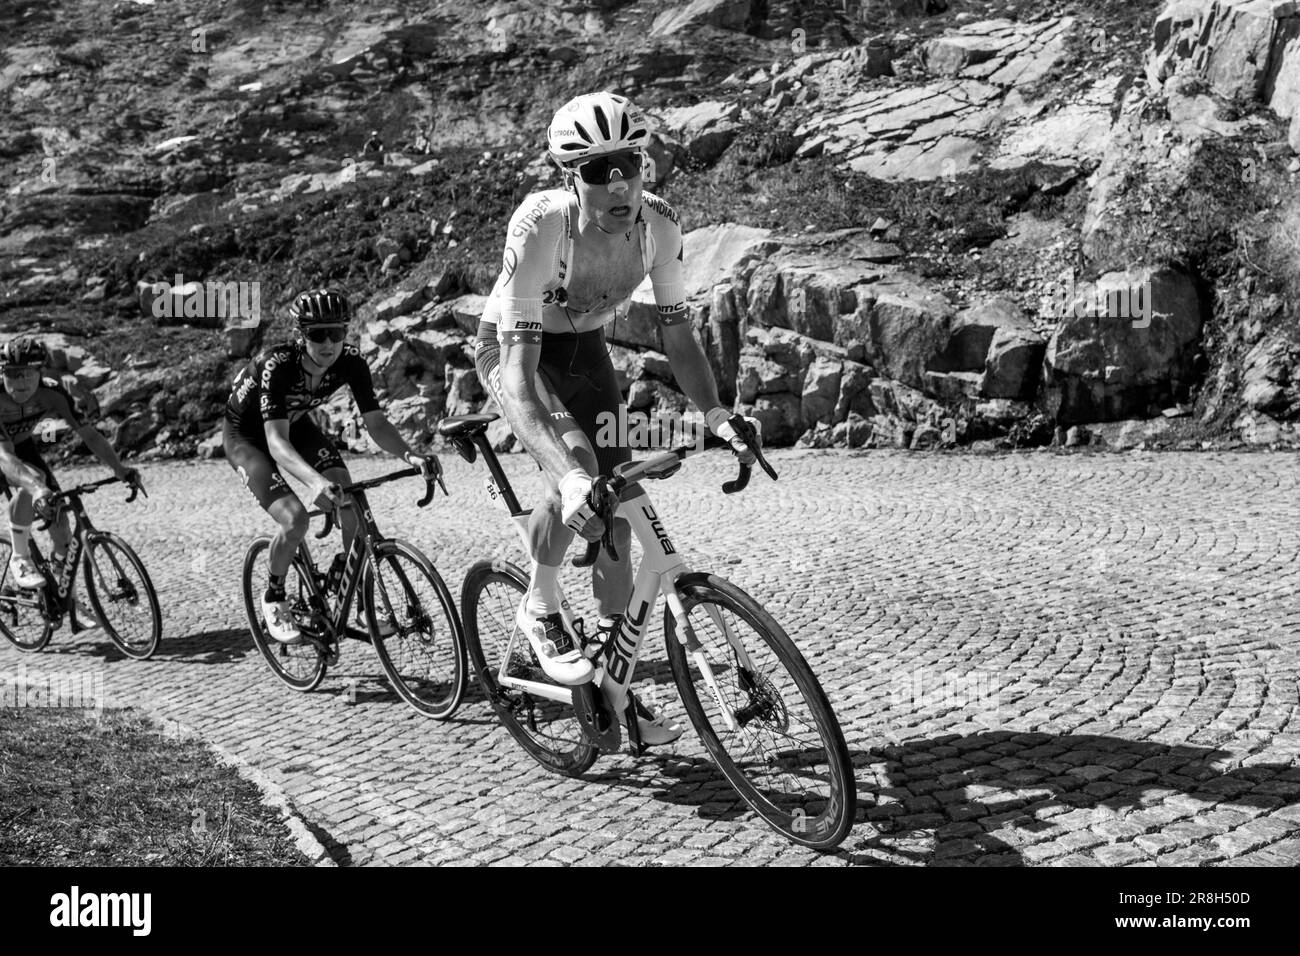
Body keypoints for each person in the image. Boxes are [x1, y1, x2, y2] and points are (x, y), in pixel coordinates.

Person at [474, 91, 762, 745]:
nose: (616, 183)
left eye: (627, 163)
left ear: (644, 166)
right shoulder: (541, 225)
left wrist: (717, 412)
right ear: (569, 178)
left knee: (620, 508)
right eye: (596, 170)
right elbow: (518, 374)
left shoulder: (658, 227)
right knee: (574, 472)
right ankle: (540, 604)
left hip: (586, 351)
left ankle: (615, 682)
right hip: (516, 348)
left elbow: (679, 339)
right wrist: (567, 474)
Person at [223, 289, 442, 642]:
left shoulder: (351, 362)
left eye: (337, 333)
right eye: (317, 335)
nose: (329, 343)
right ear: (300, 336)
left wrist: (411, 455)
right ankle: (274, 594)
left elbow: (377, 423)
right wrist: (312, 484)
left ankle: (351, 586)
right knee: (295, 519)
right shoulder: (275, 365)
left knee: (349, 495)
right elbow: (276, 443)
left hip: (295, 425)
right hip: (249, 438)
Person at [0, 336, 140, 589]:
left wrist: (120, 470)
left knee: (61, 524)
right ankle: (20, 559)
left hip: (20, 445)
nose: (20, 381)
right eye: (13, 373)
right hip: (2, 450)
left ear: (39, 373)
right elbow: (4, 456)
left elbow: (89, 434)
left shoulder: (53, 392)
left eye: (27, 374)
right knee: (32, 482)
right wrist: (36, 487)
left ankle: (63, 590)